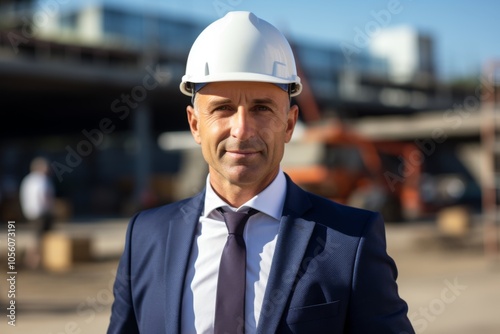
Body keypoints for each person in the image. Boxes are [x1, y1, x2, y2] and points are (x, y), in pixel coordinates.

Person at [108, 11, 415, 334]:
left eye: (261, 108)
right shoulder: (145, 237)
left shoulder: (351, 240)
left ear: (289, 124)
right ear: (195, 124)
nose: (241, 130)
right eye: (223, 108)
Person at [19, 156, 55, 269]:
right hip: (41, 213)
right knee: (41, 238)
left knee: (35, 237)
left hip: (30, 212)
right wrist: (50, 209)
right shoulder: (41, 180)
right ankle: (35, 261)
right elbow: (44, 196)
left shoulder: (28, 179)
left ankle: (32, 259)